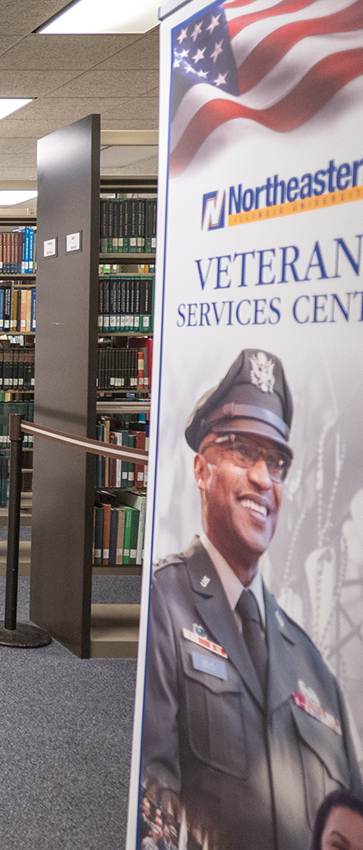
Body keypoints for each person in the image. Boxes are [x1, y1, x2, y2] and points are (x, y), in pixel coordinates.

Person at [140, 348, 362, 850]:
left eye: (276, 460)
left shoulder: (314, 669)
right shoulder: (166, 603)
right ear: (201, 470)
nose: (263, 478)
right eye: (243, 452)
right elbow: (153, 797)